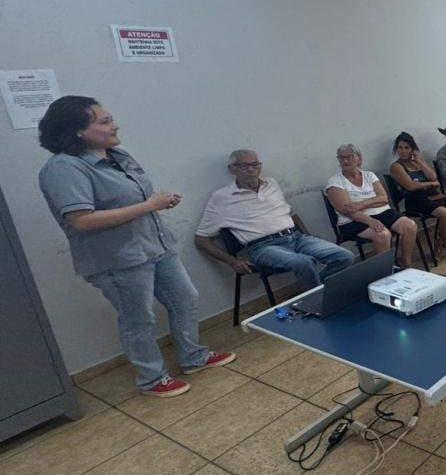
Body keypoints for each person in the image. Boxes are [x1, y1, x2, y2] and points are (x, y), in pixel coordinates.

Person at [38, 96, 233, 398]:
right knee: (138, 319)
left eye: (111, 119)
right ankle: (152, 379)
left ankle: (193, 356)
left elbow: (135, 199)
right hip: (118, 259)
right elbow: (82, 220)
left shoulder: (117, 155)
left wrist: (159, 202)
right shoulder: (63, 168)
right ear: (77, 131)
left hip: (155, 245)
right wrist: (149, 205)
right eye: (104, 122)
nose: (114, 125)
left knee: (185, 299)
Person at [195, 149, 355, 290]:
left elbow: (290, 213)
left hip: (297, 238)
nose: (251, 169)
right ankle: (317, 300)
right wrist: (232, 261)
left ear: (260, 166)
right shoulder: (221, 198)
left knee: (345, 256)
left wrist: (306, 233)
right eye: (244, 165)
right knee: (304, 262)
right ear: (232, 169)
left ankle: (316, 291)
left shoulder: (271, 184)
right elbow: (201, 239)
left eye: (254, 164)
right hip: (263, 247)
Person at [325, 144, 418, 268]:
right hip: (353, 220)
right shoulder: (335, 182)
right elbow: (347, 210)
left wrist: (361, 204)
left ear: (359, 158)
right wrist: (370, 219)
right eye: (341, 158)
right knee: (383, 235)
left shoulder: (369, 175)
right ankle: (385, 271)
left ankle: (405, 264)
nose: (345, 161)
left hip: (382, 212)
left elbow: (384, 199)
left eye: (350, 157)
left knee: (410, 226)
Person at [389, 132, 446, 258]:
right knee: (445, 213)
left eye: (407, 148)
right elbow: (411, 186)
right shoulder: (396, 166)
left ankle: (440, 241)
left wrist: (420, 161)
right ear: (396, 149)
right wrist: (431, 184)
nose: (403, 151)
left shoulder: (417, 162)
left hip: (431, 194)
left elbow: (433, 176)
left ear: (413, 149)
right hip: (415, 198)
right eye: (400, 148)